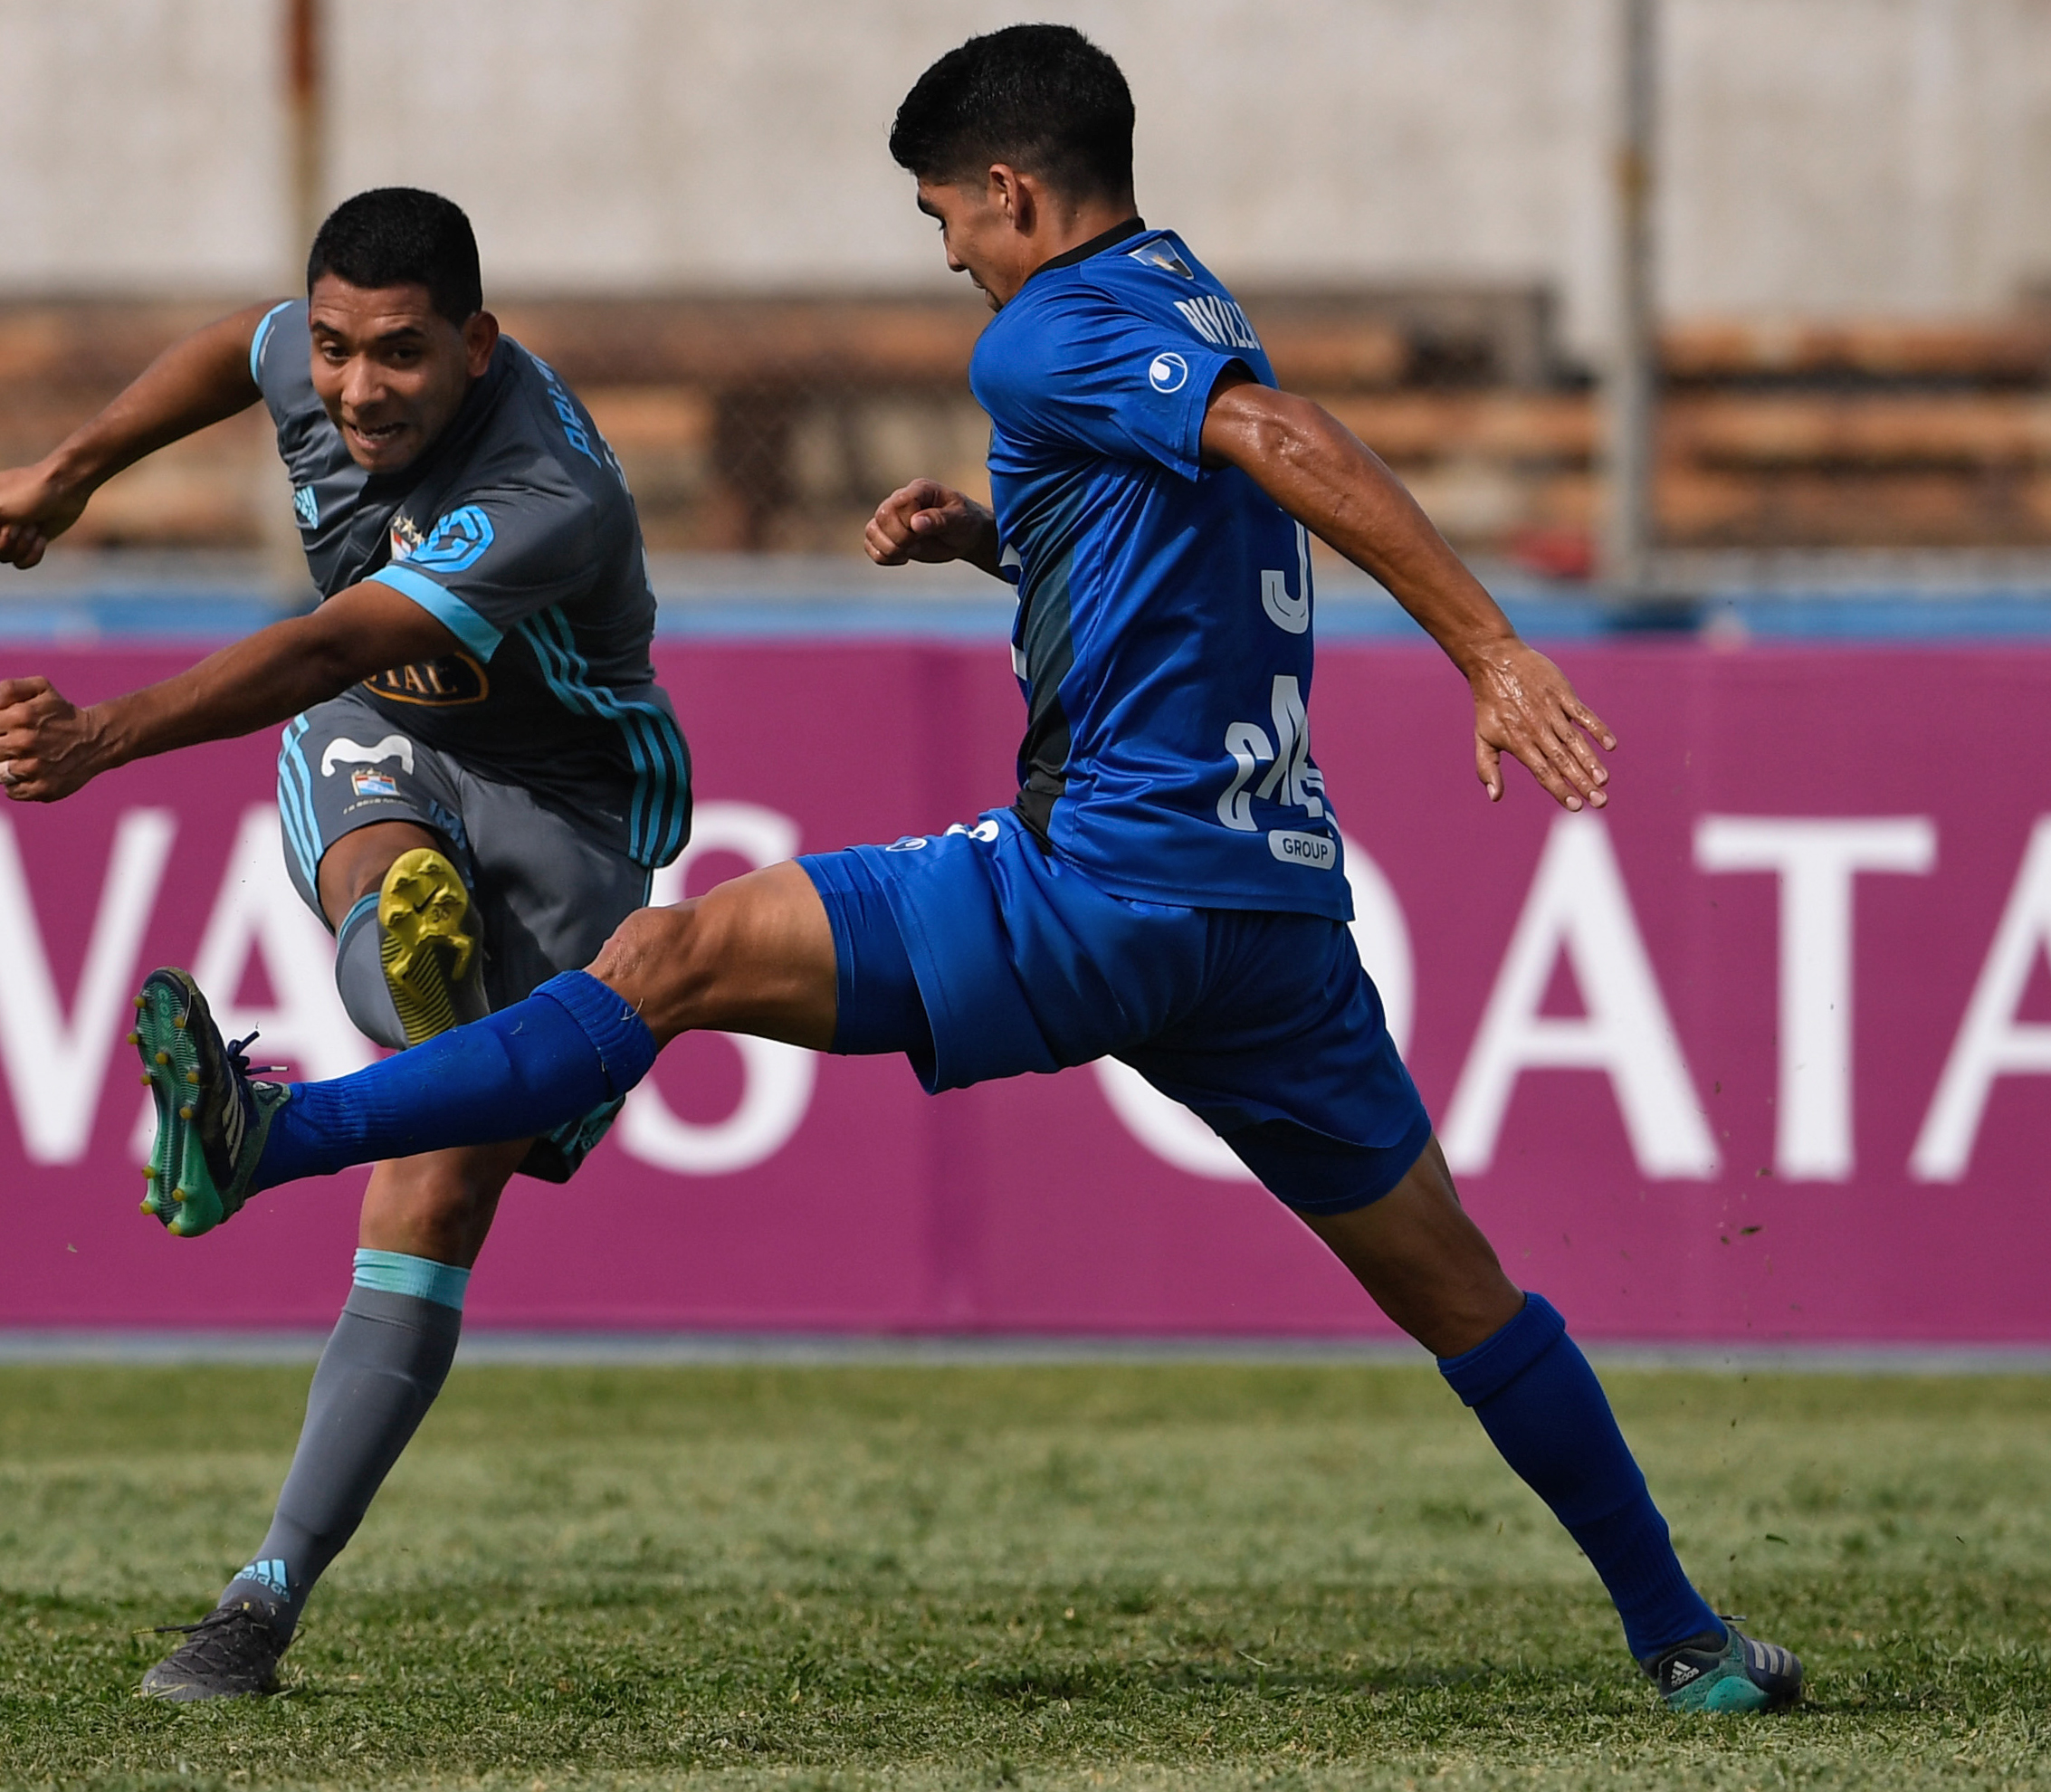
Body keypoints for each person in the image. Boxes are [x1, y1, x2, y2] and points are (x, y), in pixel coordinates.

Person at [122, 27, 1808, 1716]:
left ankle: (277, 1136)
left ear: (1009, 191)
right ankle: (1681, 1642)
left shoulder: (1044, 339)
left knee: (664, 966)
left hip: (1100, 888)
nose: (945, 258)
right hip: (1270, 916)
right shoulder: (1188, 293)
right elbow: (1197, 534)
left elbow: (1285, 445)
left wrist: (1487, 647)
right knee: (1462, 1293)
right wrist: (1005, 540)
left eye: (944, 220)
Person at [0, 187, 690, 1701]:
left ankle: (411, 1010)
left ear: (476, 348)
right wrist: (71, 468)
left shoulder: (546, 488)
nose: (358, 387)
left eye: (403, 358)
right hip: (385, 735)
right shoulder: (317, 349)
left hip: (570, 801)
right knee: (383, 875)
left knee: (442, 1179)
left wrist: (107, 733)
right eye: (343, 349)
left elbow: (331, 636)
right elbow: (248, 346)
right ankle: (255, 1607)